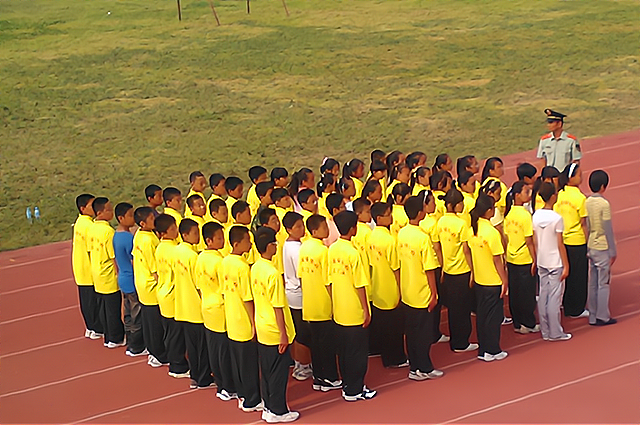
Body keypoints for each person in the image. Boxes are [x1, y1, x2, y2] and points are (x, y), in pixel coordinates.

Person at [252, 227, 300, 423]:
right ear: (270, 246)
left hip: (262, 324)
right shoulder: (272, 273)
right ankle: (278, 410)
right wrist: (283, 333)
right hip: (274, 328)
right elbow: (278, 306)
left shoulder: (255, 267)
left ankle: (269, 406)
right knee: (278, 373)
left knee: (267, 370)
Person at [329, 211, 377, 401]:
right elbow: (360, 285)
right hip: (354, 310)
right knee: (358, 352)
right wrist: (366, 309)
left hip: (340, 309)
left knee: (345, 351)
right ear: (353, 229)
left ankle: (348, 385)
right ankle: (355, 389)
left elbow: (329, 280)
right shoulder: (353, 253)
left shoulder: (332, 249)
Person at [397, 196, 444, 380]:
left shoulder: (402, 233)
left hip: (408, 290)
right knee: (423, 333)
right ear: (419, 212)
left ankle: (414, 367)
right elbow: (429, 269)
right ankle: (424, 367)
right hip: (421, 291)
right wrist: (434, 292)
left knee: (412, 332)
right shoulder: (423, 237)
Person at [195, 222, 238, 401]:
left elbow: (198, 285)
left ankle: (221, 384)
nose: (223, 241)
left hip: (207, 306)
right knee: (223, 351)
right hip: (220, 308)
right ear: (209, 240)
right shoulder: (219, 262)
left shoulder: (200, 258)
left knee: (214, 348)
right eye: (219, 238)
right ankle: (228, 386)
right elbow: (225, 288)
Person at [221, 226, 263, 412]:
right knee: (248, 363)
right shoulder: (242, 267)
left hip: (232, 319)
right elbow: (248, 298)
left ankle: (242, 394)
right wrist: (254, 322)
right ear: (237, 243)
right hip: (243, 319)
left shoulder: (224, 262)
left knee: (238, 361)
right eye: (247, 240)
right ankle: (252, 400)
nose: (251, 243)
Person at [298, 215, 342, 392]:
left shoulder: (304, 248)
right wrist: (334, 302)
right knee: (327, 344)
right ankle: (329, 377)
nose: (327, 229)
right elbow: (328, 281)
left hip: (310, 303)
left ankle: (318, 377)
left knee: (316, 344)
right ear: (315, 230)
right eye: (324, 227)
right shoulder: (323, 251)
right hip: (323, 304)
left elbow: (301, 276)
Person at [174, 219, 215, 389]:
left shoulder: (177, 252)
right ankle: (203, 377)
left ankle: (195, 375)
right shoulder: (192, 256)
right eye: (195, 233)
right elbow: (199, 285)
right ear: (185, 235)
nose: (198, 236)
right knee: (201, 347)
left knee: (192, 345)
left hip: (183, 304)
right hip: (195, 306)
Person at [435, 189, 478, 352]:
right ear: (455, 204)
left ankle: (456, 338)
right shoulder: (461, 224)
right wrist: (473, 270)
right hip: (461, 270)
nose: (463, 206)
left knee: (453, 309)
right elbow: (467, 250)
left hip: (448, 269)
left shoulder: (440, 222)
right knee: (463, 309)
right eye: (461, 203)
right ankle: (461, 342)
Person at [468, 193, 509, 361]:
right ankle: (492, 350)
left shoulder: (473, 229)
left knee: (483, 316)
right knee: (493, 318)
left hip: (480, 279)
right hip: (492, 280)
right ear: (489, 210)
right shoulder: (491, 233)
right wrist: (504, 280)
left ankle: (484, 349)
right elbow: (497, 260)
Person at [368, 202, 408, 368]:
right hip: (390, 287)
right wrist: (400, 289)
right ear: (379, 218)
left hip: (377, 286)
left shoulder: (371, 237)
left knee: (383, 325)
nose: (391, 217)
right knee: (394, 327)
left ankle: (386, 355)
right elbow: (396, 268)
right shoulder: (389, 240)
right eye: (387, 214)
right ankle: (396, 358)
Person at [532, 182, 572, 341]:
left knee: (543, 295)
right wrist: (566, 265)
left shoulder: (536, 215)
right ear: (553, 196)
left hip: (542, 260)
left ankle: (545, 331)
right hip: (555, 261)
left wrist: (537, 257)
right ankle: (556, 332)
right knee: (555, 298)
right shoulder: (557, 218)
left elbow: (535, 241)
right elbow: (560, 243)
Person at [132, 207, 169, 368]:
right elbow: (155, 269)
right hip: (150, 285)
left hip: (141, 282)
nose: (155, 221)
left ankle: (153, 350)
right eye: (151, 219)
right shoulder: (150, 241)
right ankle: (159, 354)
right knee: (155, 323)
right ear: (143, 223)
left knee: (148, 320)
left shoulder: (139, 235)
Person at [154, 214, 190, 378]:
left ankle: (175, 361)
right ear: (163, 233)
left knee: (170, 331)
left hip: (163, 292)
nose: (176, 231)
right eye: (173, 229)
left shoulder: (160, 248)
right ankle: (178, 366)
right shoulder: (173, 251)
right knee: (175, 333)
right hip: (172, 294)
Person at [89, 197, 125, 348]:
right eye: (108, 210)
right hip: (108, 274)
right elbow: (113, 256)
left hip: (96, 273)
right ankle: (115, 338)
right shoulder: (108, 231)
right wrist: (118, 274)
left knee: (103, 307)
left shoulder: (91, 228)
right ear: (99, 212)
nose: (111, 212)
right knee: (112, 308)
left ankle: (107, 335)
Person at [503, 182, 539, 334]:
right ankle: (528, 323)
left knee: (516, 292)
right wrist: (534, 259)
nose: (529, 194)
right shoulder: (525, 215)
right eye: (526, 192)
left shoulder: (508, 214)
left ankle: (518, 322)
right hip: (524, 258)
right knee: (527, 293)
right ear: (517, 195)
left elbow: (505, 237)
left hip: (512, 258)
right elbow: (529, 240)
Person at [282, 212, 313, 381]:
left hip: (291, 293)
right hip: (299, 294)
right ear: (288, 229)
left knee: (298, 331)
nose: (302, 229)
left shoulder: (287, 245)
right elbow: (302, 275)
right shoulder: (298, 250)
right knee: (303, 333)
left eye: (302, 225)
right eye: (298, 227)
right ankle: (302, 365)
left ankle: (300, 363)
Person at [555, 163, 589, 318]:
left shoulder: (559, 194)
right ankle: (576, 309)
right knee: (579, 276)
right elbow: (583, 223)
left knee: (566, 274)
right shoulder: (580, 198)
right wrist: (588, 243)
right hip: (577, 240)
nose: (581, 177)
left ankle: (565, 303)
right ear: (571, 177)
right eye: (579, 174)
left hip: (562, 240)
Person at [113, 202, 146, 356]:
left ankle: (131, 342)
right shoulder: (128, 239)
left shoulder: (116, 236)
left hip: (122, 279)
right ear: (121, 218)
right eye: (130, 215)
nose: (133, 218)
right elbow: (135, 261)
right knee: (137, 314)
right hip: (132, 280)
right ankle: (137, 346)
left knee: (128, 313)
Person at [585, 170, 617, 326]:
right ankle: (603, 315)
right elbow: (607, 228)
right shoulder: (604, 204)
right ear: (603, 186)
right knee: (603, 282)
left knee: (593, 282)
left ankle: (592, 314)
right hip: (602, 246)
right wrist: (613, 251)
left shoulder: (587, 201)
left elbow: (588, 225)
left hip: (591, 244)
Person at [72, 193, 103, 340]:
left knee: (86, 300)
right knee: (93, 301)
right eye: (92, 206)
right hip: (89, 268)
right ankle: (96, 327)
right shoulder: (90, 226)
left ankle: (90, 327)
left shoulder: (79, 222)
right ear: (83, 208)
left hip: (80, 267)